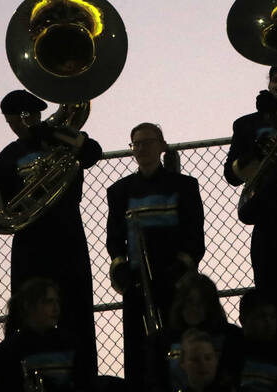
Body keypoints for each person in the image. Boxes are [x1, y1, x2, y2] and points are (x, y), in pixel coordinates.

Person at [0, 89, 102, 374]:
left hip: (67, 236)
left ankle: (82, 379)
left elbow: (92, 152)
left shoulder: (59, 136)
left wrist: (53, 135)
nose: (14, 126)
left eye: (16, 120)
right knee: (26, 314)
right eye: (10, 122)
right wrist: (4, 181)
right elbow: (5, 209)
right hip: (30, 242)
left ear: (31, 116)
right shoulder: (9, 154)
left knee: (77, 312)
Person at [107, 122, 205, 390]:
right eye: (136, 144)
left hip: (176, 282)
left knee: (176, 345)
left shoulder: (184, 186)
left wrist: (181, 267)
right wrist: (121, 269)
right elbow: (115, 239)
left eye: (147, 142)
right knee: (138, 352)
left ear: (161, 146)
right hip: (138, 283)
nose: (141, 149)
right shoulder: (119, 191)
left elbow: (194, 235)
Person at [224, 66, 277, 335]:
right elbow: (232, 175)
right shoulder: (247, 124)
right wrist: (255, 154)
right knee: (271, 303)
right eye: (275, 80)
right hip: (268, 221)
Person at [0, 277, 94, 392]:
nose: (56, 308)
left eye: (57, 302)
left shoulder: (70, 344)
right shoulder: (10, 350)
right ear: (28, 306)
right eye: (48, 302)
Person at [161, 273, 244, 391]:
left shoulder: (231, 336)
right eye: (189, 301)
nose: (195, 308)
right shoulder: (162, 340)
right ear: (180, 303)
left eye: (201, 302)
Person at [234, 290, 277, 392]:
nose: (268, 323)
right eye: (261, 317)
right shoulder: (232, 352)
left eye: (272, 317)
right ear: (243, 320)